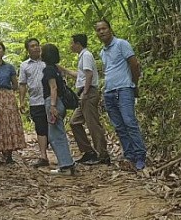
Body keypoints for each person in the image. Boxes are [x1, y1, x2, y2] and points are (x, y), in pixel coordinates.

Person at [96, 19, 146, 171]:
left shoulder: (122, 44)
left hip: (124, 89)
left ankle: (140, 155)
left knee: (129, 122)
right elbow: (108, 71)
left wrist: (134, 84)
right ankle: (129, 154)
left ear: (110, 29)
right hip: (109, 91)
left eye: (104, 28)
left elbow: (134, 64)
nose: (102, 32)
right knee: (119, 126)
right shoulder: (102, 52)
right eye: (98, 30)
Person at [63, 33, 111, 165]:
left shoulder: (86, 55)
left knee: (92, 124)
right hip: (84, 94)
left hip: (88, 94)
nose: (70, 45)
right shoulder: (82, 57)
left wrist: (85, 91)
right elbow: (80, 75)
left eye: (72, 43)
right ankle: (88, 152)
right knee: (74, 122)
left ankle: (103, 154)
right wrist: (63, 69)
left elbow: (89, 74)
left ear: (78, 44)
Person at [40, 43, 76, 175]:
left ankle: (66, 165)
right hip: (60, 102)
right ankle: (66, 163)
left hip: (53, 102)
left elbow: (53, 88)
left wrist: (53, 106)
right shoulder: (55, 68)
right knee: (58, 133)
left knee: (55, 135)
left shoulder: (48, 70)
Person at [18, 38, 50, 167]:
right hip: (35, 101)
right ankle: (43, 156)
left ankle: (61, 155)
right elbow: (22, 84)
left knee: (52, 128)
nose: (36, 48)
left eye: (37, 45)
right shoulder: (24, 65)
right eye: (32, 46)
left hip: (50, 100)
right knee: (40, 128)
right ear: (28, 49)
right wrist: (22, 101)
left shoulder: (47, 62)